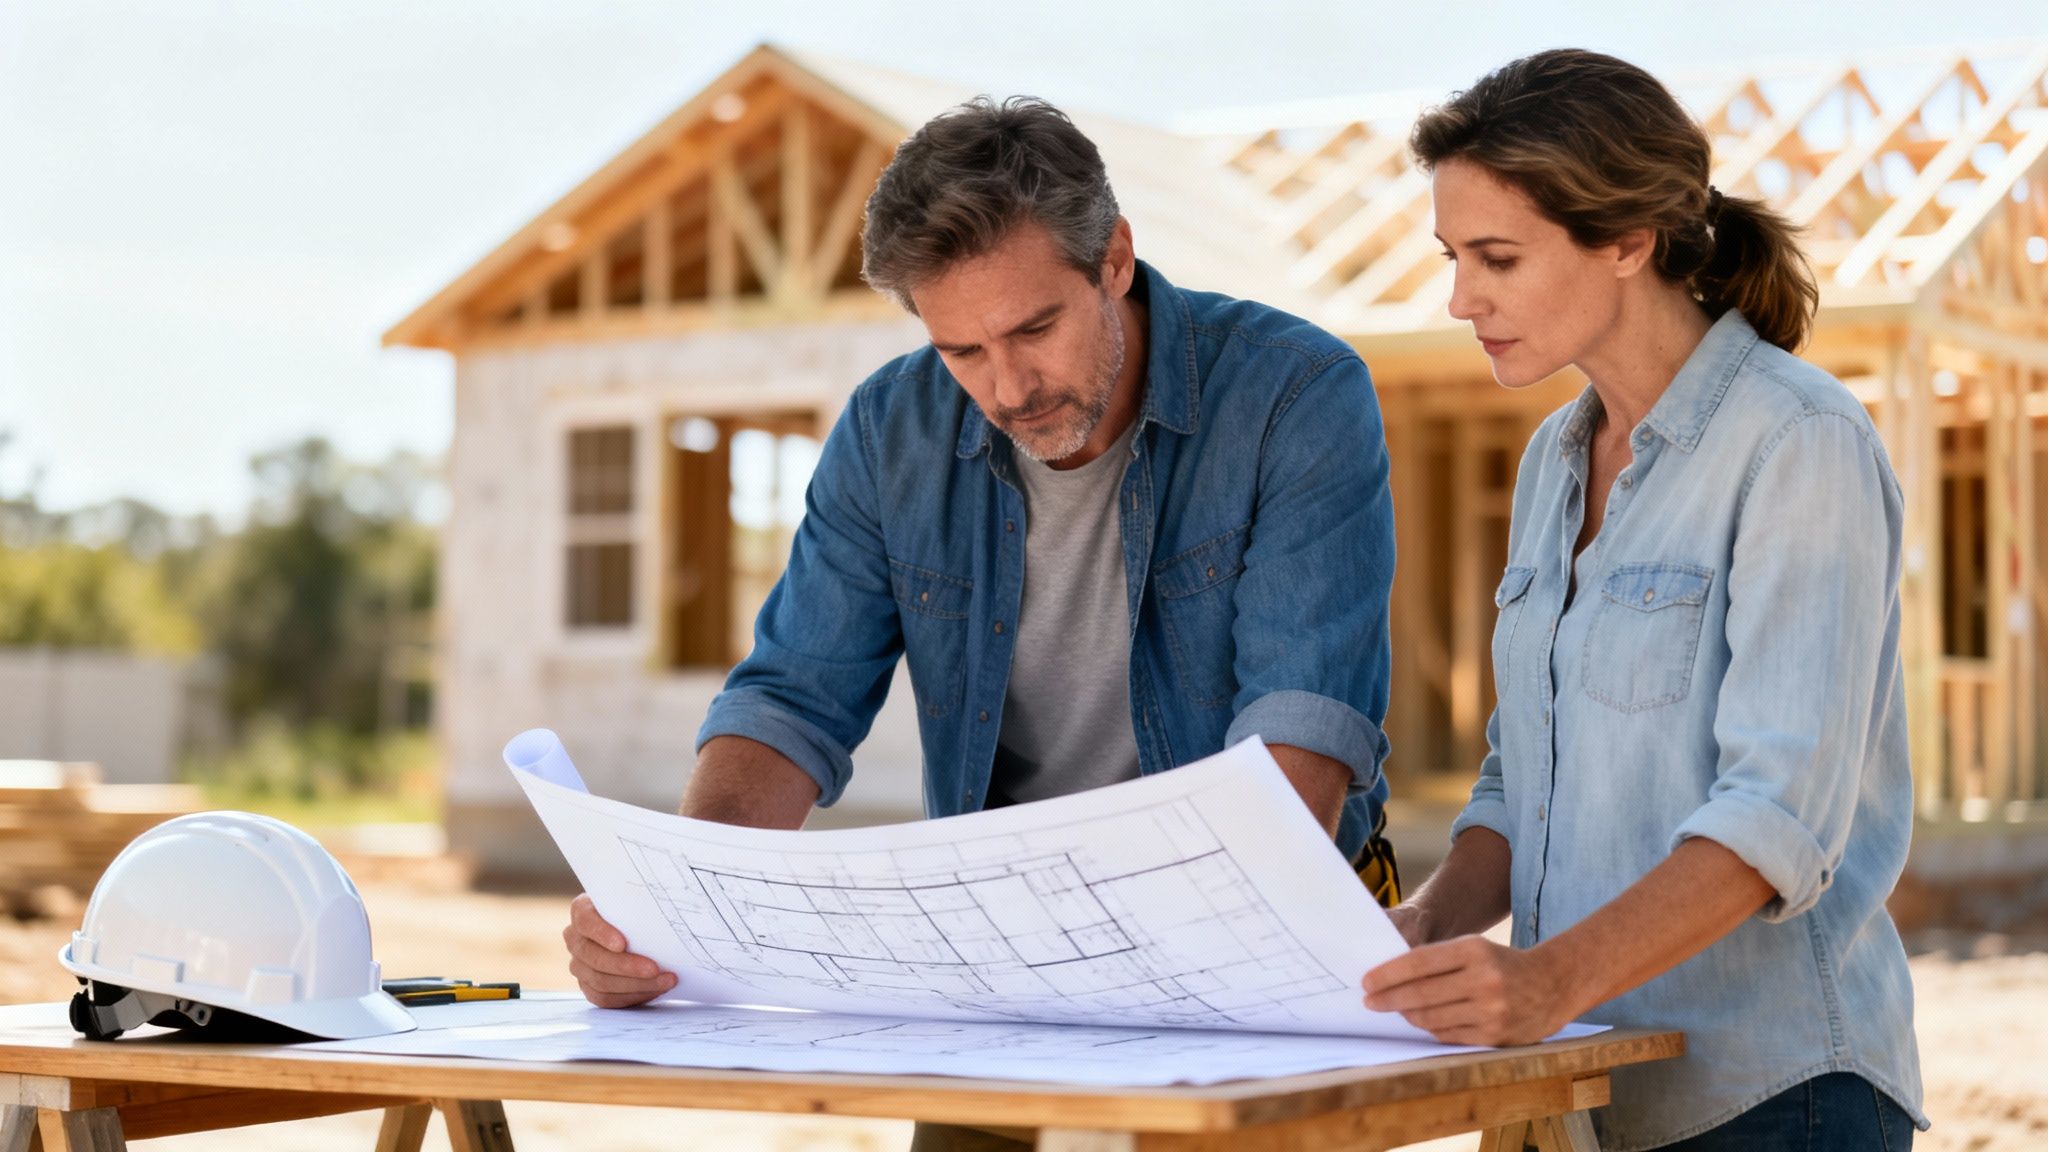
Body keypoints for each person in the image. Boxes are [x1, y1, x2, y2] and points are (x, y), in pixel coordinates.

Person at [562, 97, 1402, 1146]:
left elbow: (1299, 741)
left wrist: (1149, 960)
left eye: (1033, 330)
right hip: (1001, 943)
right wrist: (675, 912)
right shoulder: (888, 429)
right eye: (960, 350)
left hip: (1260, 926)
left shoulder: (1294, 392)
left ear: (1114, 261)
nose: (1006, 389)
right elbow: (792, 696)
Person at [1361, 49, 1924, 1151]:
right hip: (1577, 1098)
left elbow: (1776, 817)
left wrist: (1543, 982)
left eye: (1496, 258)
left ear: (1625, 240)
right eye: (1451, 255)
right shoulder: (1551, 461)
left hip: (1769, 1102)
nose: (1458, 296)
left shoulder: (1797, 441)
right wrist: (1423, 928)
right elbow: (1523, 778)